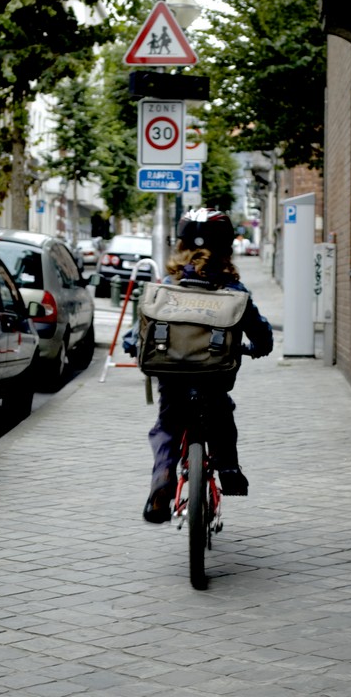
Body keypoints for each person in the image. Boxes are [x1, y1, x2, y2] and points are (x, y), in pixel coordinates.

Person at [143, 207, 274, 524]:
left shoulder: (166, 285)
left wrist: (133, 345)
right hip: (214, 375)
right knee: (221, 412)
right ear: (227, 248)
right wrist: (260, 347)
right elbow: (260, 331)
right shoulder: (233, 291)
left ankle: (163, 475)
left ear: (181, 245)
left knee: (167, 426)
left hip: (171, 375)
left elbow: (141, 332)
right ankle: (228, 467)